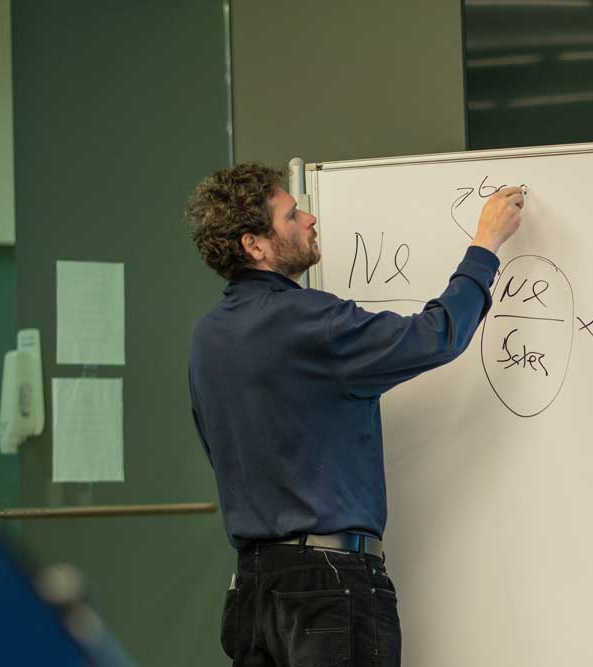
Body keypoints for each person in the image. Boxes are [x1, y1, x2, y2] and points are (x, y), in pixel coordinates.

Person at [185, 162, 524, 667]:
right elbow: (437, 335)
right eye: (291, 215)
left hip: (252, 592)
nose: (311, 218)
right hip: (329, 589)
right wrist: (485, 246)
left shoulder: (207, 338)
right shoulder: (310, 322)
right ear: (253, 245)